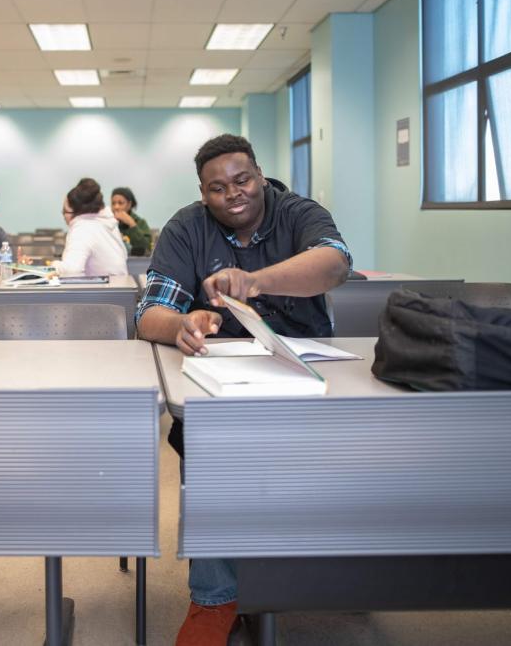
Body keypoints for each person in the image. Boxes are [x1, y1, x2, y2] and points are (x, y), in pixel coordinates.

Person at [134, 134, 350, 646]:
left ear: (259, 174)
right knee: (208, 447)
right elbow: (150, 313)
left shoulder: (299, 212)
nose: (233, 193)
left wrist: (255, 281)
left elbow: (334, 263)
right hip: (220, 375)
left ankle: (317, 576)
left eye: (242, 179)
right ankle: (215, 598)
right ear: (203, 194)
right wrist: (181, 325)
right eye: (216, 188)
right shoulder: (186, 227)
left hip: (304, 371)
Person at [53, 178, 129, 277]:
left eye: (65, 211)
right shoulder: (105, 222)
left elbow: (72, 270)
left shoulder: (82, 229)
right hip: (121, 287)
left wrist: (54, 266)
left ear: (76, 212)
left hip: (104, 290)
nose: (63, 215)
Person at [110, 187, 152, 256]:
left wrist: (132, 224)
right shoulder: (108, 222)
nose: (116, 207)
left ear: (129, 204)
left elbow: (147, 249)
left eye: (120, 203)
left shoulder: (140, 222)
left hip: (135, 264)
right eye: (113, 203)